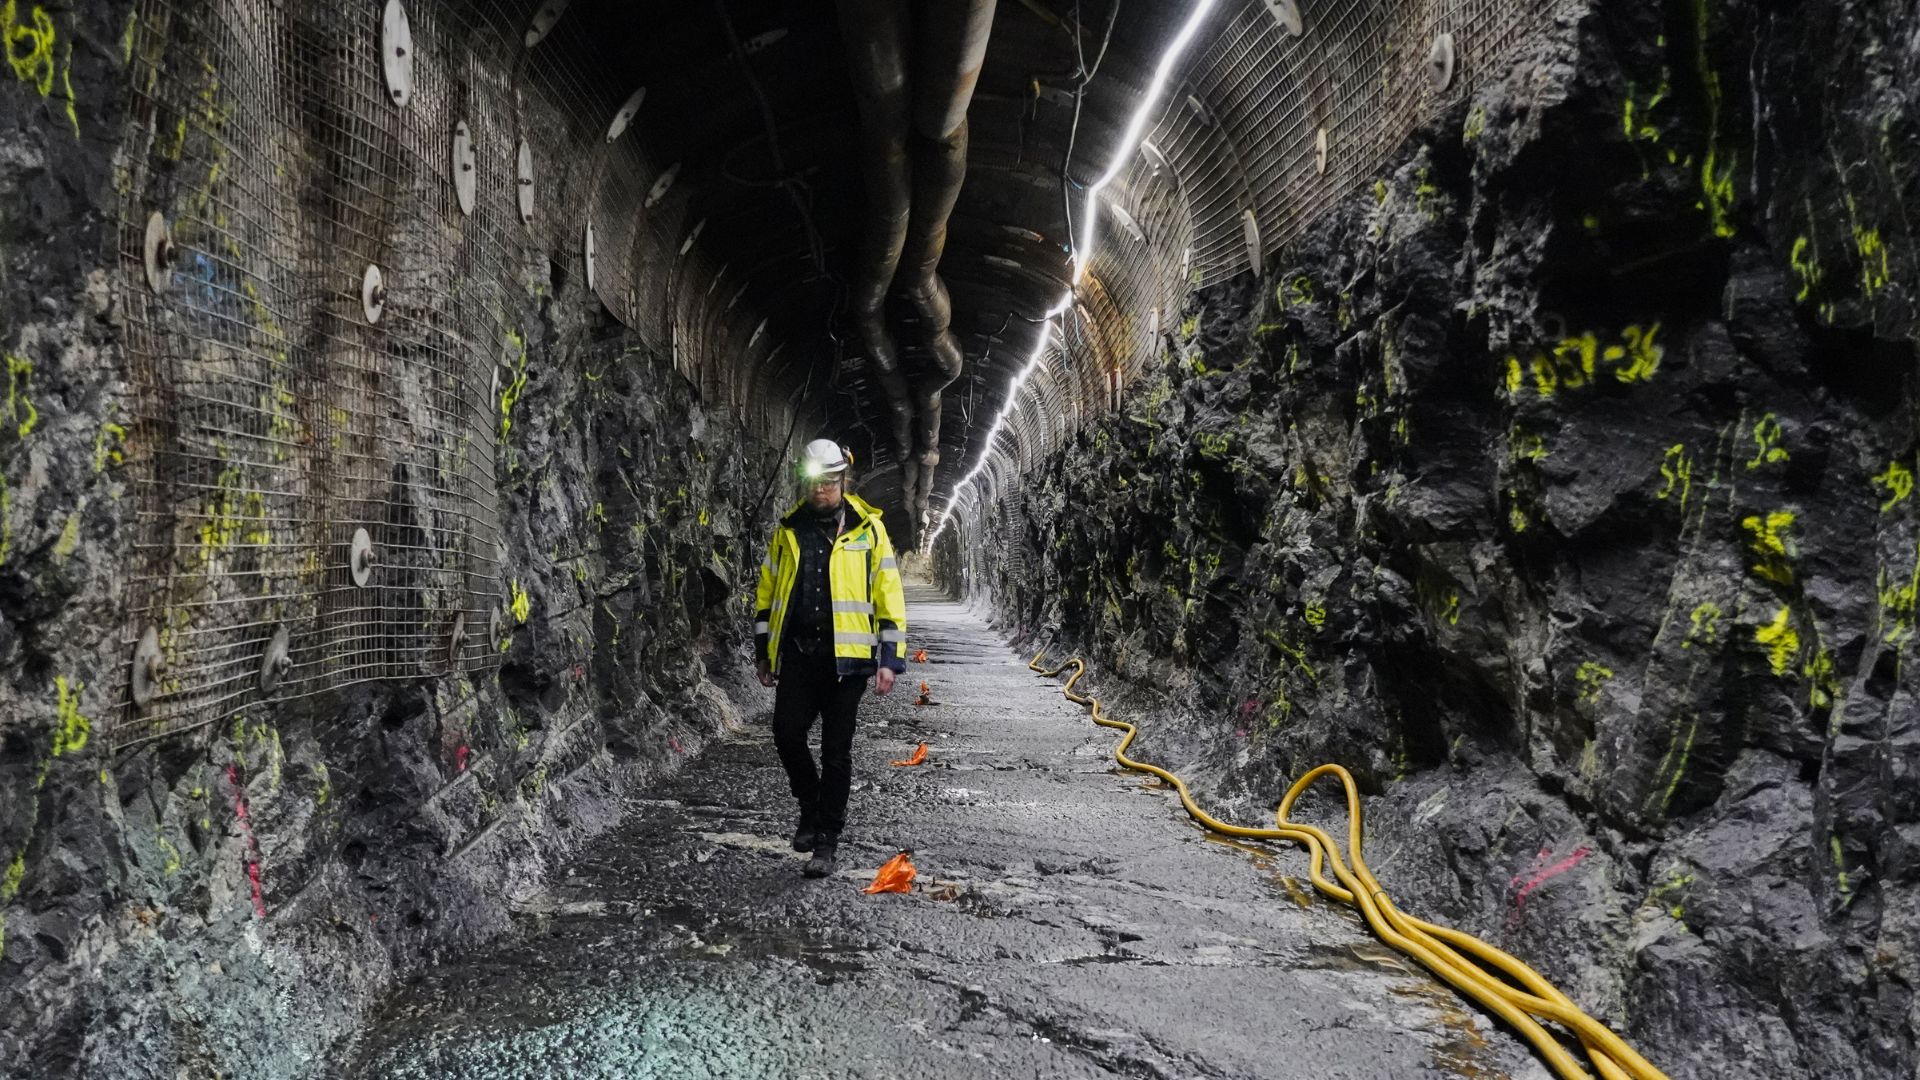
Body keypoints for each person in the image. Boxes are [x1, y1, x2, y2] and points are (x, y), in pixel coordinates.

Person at [753, 438, 908, 878]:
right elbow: (768, 593)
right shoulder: (788, 530)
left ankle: (826, 840)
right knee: (786, 733)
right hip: (801, 655)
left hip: (850, 661)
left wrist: (889, 658)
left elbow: (888, 594)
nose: (820, 490)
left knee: (836, 751)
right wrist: (764, 651)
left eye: (828, 482)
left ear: (843, 480)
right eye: (812, 482)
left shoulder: (868, 530)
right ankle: (809, 803)